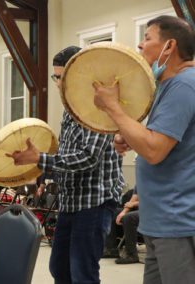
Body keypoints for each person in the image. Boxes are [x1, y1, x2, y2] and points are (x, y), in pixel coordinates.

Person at [7, 47, 124, 284]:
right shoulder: (69, 108)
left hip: (95, 202)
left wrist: (39, 158)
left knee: (83, 273)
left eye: (62, 77)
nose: (58, 83)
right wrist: (39, 172)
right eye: (56, 77)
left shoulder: (97, 108)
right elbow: (66, 153)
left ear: (79, 73)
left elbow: (88, 158)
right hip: (71, 201)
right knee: (59, 268)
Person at [93, 15, 195, 283]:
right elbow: (155, 138)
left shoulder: (185, 85)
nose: (140, 44)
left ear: (169, 46)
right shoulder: (166, 85)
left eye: (147, 38)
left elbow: (153, 150)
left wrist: (113, 107)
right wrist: (127, 135)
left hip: (178, 222)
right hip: (159, 219)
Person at [104, 188, 140, 264]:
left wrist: (135, 204)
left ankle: (131, 254)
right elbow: (133, 199)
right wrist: (123, 212)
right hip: (140, 208)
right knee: (113, 212)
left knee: (129, 217)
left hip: (153, 209)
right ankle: (111, 249)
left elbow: (156, 201)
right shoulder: (140, 180)